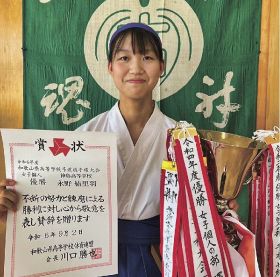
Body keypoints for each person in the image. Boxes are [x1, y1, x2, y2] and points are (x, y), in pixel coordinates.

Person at [0, 23, 239, 277]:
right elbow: (54, 205)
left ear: (161, 66)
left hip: (161, 258)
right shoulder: (84, 138)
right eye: (124, 57)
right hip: (91, 259)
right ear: (110, 68)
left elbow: (196, 211)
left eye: (147, 57)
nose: (135, 67)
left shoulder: (184, 141)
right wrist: (16, 208)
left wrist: (220, 209)